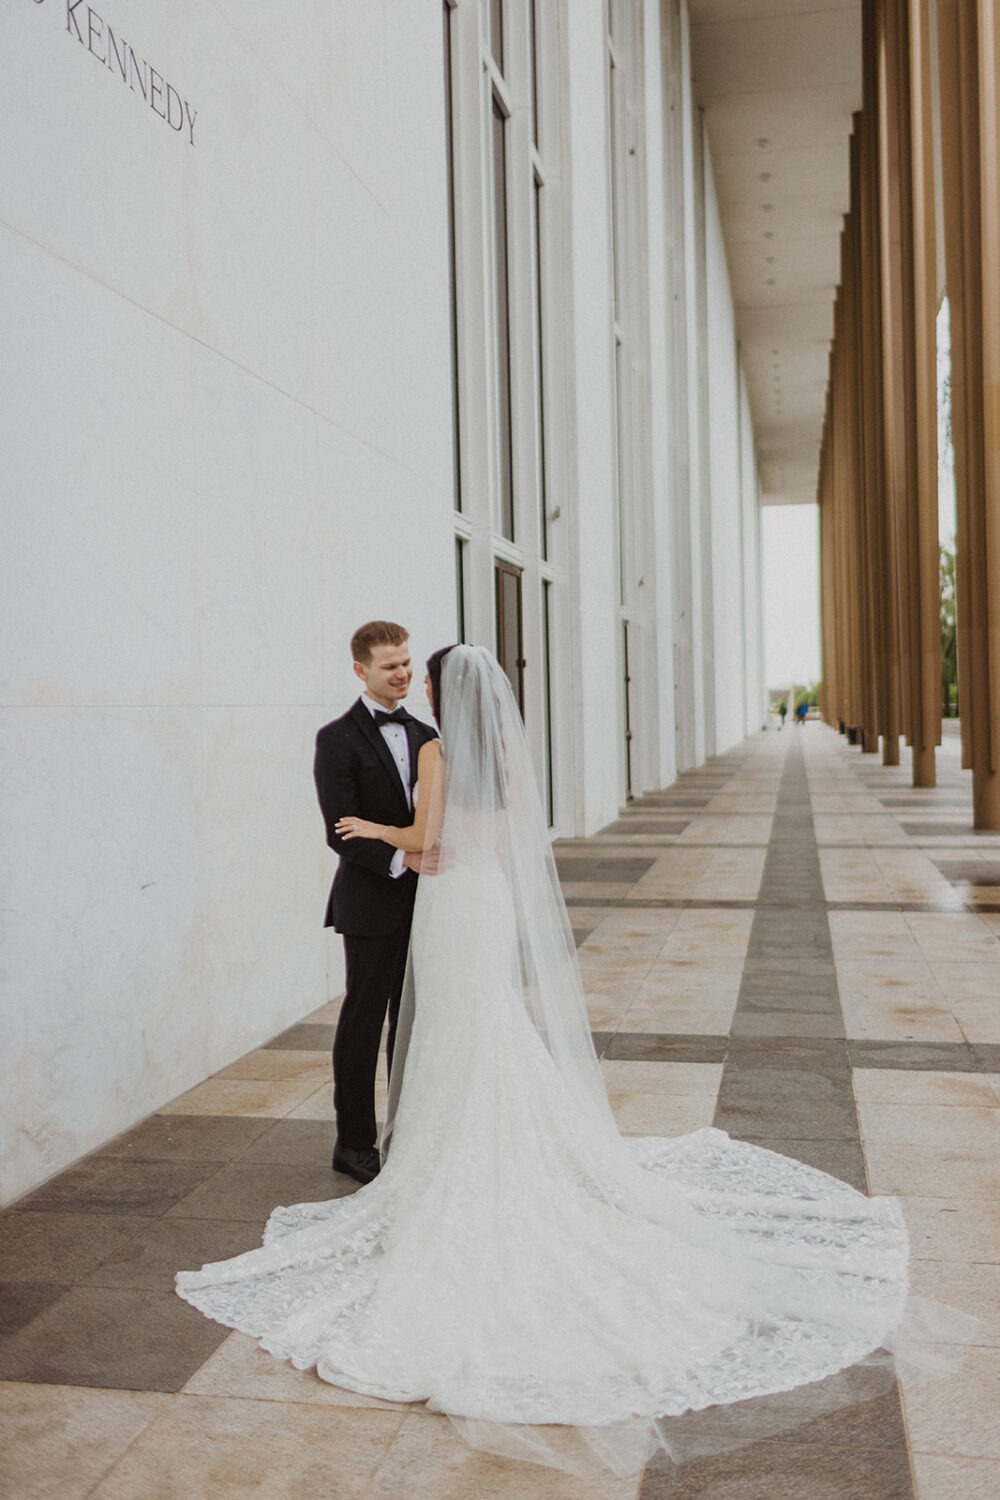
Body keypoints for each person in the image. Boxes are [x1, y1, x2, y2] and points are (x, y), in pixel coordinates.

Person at [178, 645, 911, 1474]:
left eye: (421, 673)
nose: (413, 680)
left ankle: (445, 1156)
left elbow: (428, 833)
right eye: (398, 667)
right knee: (485, 1026)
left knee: (460, 1027)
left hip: (451, 901)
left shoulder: (435, 746)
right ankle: (434, 1143)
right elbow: (501, 831)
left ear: (443, 690)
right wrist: (406, 844)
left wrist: (385, 830)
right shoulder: (495, 752)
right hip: (480, 898)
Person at [312, 621, 438, 1186]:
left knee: (412, 1022)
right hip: (368, 903)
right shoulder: (335, 738)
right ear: (361, 670)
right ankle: (354, 1142)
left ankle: (408, 1128)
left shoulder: (426, 733)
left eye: (407, 662)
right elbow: (341, 831)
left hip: (430, 903)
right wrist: (401, 859)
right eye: (391, 665)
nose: (404, 673)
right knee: (363, 1022)